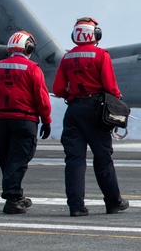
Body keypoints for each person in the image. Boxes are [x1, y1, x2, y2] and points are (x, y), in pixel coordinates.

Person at [52, 17, 129, 217]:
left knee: (74, 160)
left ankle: (76, 207)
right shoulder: (101, 55)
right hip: (96, 110)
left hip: (74, 110)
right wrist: (118, 102)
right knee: (103, 158)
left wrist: (71, 96)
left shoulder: (67, 58)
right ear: (95, 35)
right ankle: (113, 202)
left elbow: (58, 88)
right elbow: (110, 86)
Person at [0, 31, 52, 214]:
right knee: (19, 159)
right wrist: (46, 121)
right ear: (29, 48)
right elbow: (42, 98)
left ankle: (17, 195)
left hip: (1, 120)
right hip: (24, 120)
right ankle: (12, 199)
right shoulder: (33, 68)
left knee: (5, 158)